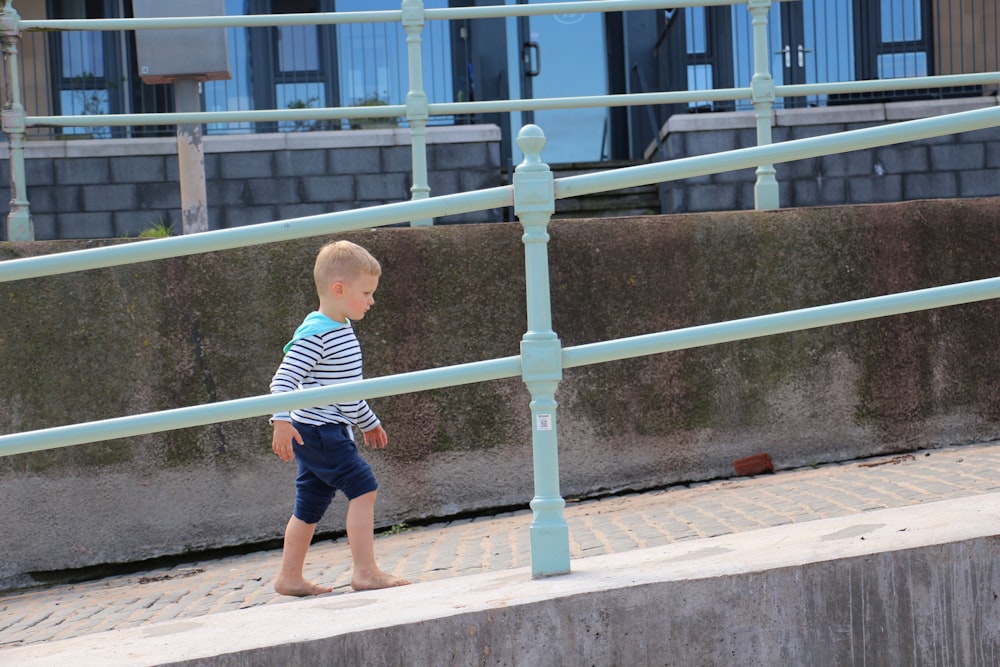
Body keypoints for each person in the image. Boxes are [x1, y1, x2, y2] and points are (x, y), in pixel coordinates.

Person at [269, 239, 410, 596]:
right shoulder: (317, 335)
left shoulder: (338, 328)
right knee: (364, 489)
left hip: (321, 430)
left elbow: (345, 392)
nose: (371, 301)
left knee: (309, 506)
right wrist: (281, 421)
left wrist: (367, 421)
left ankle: (289, 577)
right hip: (320, 432)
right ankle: (365, 571)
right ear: (339, 289)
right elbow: (283, 380)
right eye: (366, 292)